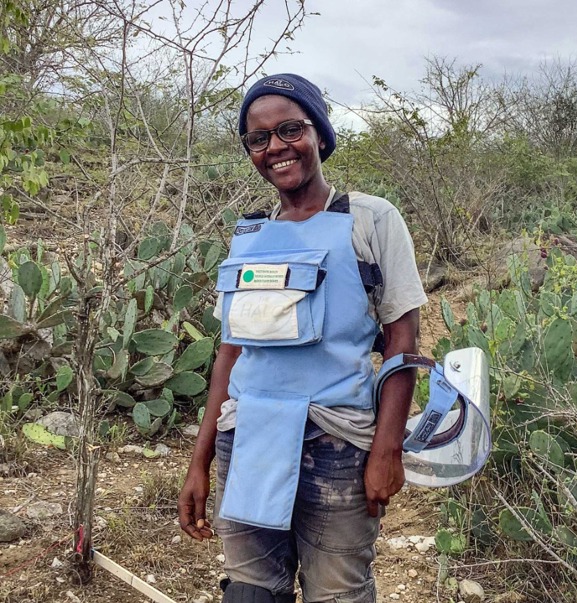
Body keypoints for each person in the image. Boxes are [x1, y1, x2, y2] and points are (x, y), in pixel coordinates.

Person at [177, 73, 428, 603]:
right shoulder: (250, 236)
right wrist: (199, 461)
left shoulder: (370, 220)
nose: (276, 148)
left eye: (290, 129)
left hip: (337, 444)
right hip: (247, 439)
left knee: (338, 591)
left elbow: (402, 341)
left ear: (318, 133)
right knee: (250, 590)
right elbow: (231, 352)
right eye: (258, 138)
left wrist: (388, 448)